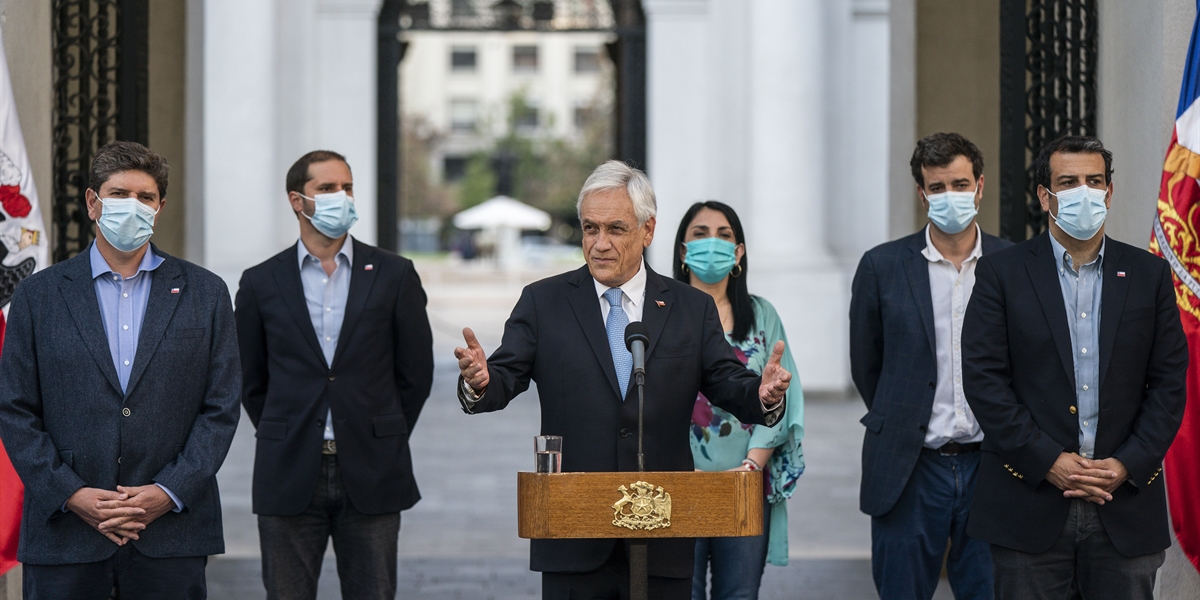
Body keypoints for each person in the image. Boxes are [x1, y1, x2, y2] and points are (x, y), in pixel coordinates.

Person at [454, 160, 791, 600]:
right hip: (573, 534)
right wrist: (479, 380)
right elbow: (503, 377)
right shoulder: (544, 302)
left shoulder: (690, 308)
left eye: (615, 228)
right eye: (590, 229)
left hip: (661, 533)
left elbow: (728, 382)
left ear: (648, 231)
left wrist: (762, 394)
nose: (599, 244)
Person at [0, 141, 241, 598]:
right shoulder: (39, 295)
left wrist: (167, 491)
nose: (132, 206)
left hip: (172, 534)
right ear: (93, 203)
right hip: (65, 534)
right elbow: (14, 408)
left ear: (160, 207)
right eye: (118, 195)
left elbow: (222, 406)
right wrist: (71, 494)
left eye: (145, 197)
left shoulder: (205, 293)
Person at [962, 135, 1188, 599]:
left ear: (1108, 192)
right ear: (1045, 196)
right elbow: (984, 380)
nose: (1084, 191)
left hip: (1125, 503)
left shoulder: (1149, 275)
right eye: (1068, 182)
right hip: (1028, 501)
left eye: (1094, 181)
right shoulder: (1001, 273)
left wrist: (1127, 463)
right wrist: (1048, 461)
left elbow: (1168, 384)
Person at [234, 150, 434, 600]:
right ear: (297, 200)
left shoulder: (394, 274)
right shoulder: (261, 282)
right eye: (327, 189)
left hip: (373, 468)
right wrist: (284, 428)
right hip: (288, 471)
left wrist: (382, 428)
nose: (341, 197)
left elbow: (415, 373)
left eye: (347, 188)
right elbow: (249, 378)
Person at [850, 132, 1009, 599]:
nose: (949, 196)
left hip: (993, 465)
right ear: (922, 194)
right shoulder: (882, 266)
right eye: (937, 187)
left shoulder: (1014, 262)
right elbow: (868, 365)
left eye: (959, 185)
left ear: (979, 187)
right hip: (909, 466)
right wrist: (902, 417)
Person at [674, 201, 805, 600]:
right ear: (682, 251)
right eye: (699, 234)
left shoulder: (762, 315)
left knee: (739, 594)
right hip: (678, 485)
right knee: (680, 593)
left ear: (739, 253)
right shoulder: (660, 313)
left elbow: (785, 394)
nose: (711, 243)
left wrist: (751, 466)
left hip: (745, 483)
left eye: (724, 234)